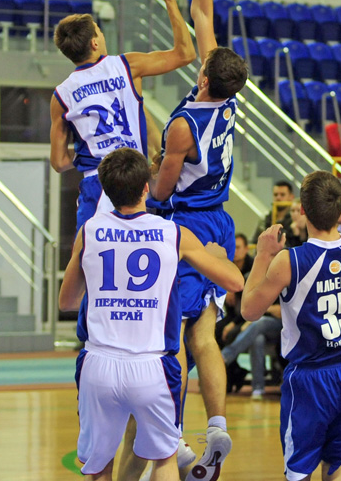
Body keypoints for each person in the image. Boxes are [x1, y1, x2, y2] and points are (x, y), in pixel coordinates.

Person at [57, 148, 243, 481]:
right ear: (146, 188)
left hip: (99, 363)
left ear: (106, 190)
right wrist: (218, 256)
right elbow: (235, 282)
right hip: (152, 366)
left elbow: (67, 302)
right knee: (165, 460)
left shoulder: (90, 231)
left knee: (98, 468)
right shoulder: (173, 234)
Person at [149, 0, 250, 481]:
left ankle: (178, 443)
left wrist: (143, 183)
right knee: (206, 331)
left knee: (177, 335)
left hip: (186, 223)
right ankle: (216, 428)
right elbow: (203, 10)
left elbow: (162, 186)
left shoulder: (185, 127)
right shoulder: (227, 101)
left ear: (206, 77)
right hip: (219, 220)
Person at [242, 173, 341, 481]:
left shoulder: (290, 260)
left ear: (302, 210)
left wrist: (262, 255)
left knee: (300, 470)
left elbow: (249, 310)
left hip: (313, 379)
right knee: (337, 460)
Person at [49, 0, 194, 230]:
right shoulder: (127, 66)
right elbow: (185, 53)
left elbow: (59, 161)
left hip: (97, 182)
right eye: (99, 32)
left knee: (89, 252)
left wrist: (90, 153)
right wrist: (170, 0)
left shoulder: (61, 95)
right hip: (135, 178)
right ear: (94, 43)